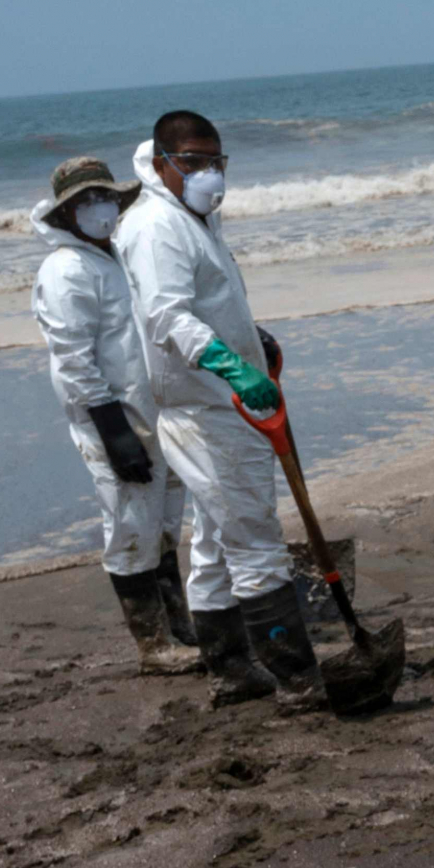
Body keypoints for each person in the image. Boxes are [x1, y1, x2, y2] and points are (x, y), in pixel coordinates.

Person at [118, 109, 326, 712]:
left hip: (224, 399)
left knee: (213, 539)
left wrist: (250, 340)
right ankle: (296, 677)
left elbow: (210, 301)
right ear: (162, 163)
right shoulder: (157, 226)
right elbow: (165, 317)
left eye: (216, 161)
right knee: (256, 540)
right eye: (194, 162)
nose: (210, 173)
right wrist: (232, 366)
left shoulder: (195, 219)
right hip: (208, 407)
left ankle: (232, 670)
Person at [30, 154, 197, 672]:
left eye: (104, 198)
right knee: (131, 525)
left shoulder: (117, 256)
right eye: (86, 202)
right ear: (65, 215)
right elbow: (73, 361)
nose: (100, 209)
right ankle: (153, 645)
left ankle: (179, 626)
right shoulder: (66, 271)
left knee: (165, 523)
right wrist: (112, 430)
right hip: (113, 420)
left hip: (155, 412)